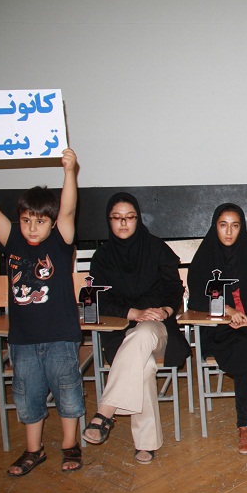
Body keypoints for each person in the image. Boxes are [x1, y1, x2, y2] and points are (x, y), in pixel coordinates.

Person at [0, 150, 84, 476]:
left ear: (51, 223)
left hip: (61, 337)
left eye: (40, 221)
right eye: (26, 220)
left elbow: (68, 209)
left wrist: (69, 172)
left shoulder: (60, 241)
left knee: (68, 393)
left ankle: (70, 445)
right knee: (27, 396)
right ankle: (33, 449)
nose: (31, 227)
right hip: (23, 340)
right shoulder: (12, 240)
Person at [81, 193, 190, 465]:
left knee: (143, 333)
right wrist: (134, 313)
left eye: (129, 217)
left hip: (158, 328)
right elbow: (99, 299)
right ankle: (146, 444)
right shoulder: (102, 257)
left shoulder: (156, 248)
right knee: (144, 366)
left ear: (138, 219)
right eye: (116, 218)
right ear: (109, 221)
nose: (123, 223)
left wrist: (164, 311)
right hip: (121, 330)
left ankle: (105, 411)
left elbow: (174, 289)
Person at [187, 203, 247, 454]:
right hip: (220, 328)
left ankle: (245, 425)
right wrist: (228, 311)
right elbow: (197, 299)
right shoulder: (205, 257)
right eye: (223, 225)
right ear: (215, 227)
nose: (229, 232)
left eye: (235, 225)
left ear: (242, 228)